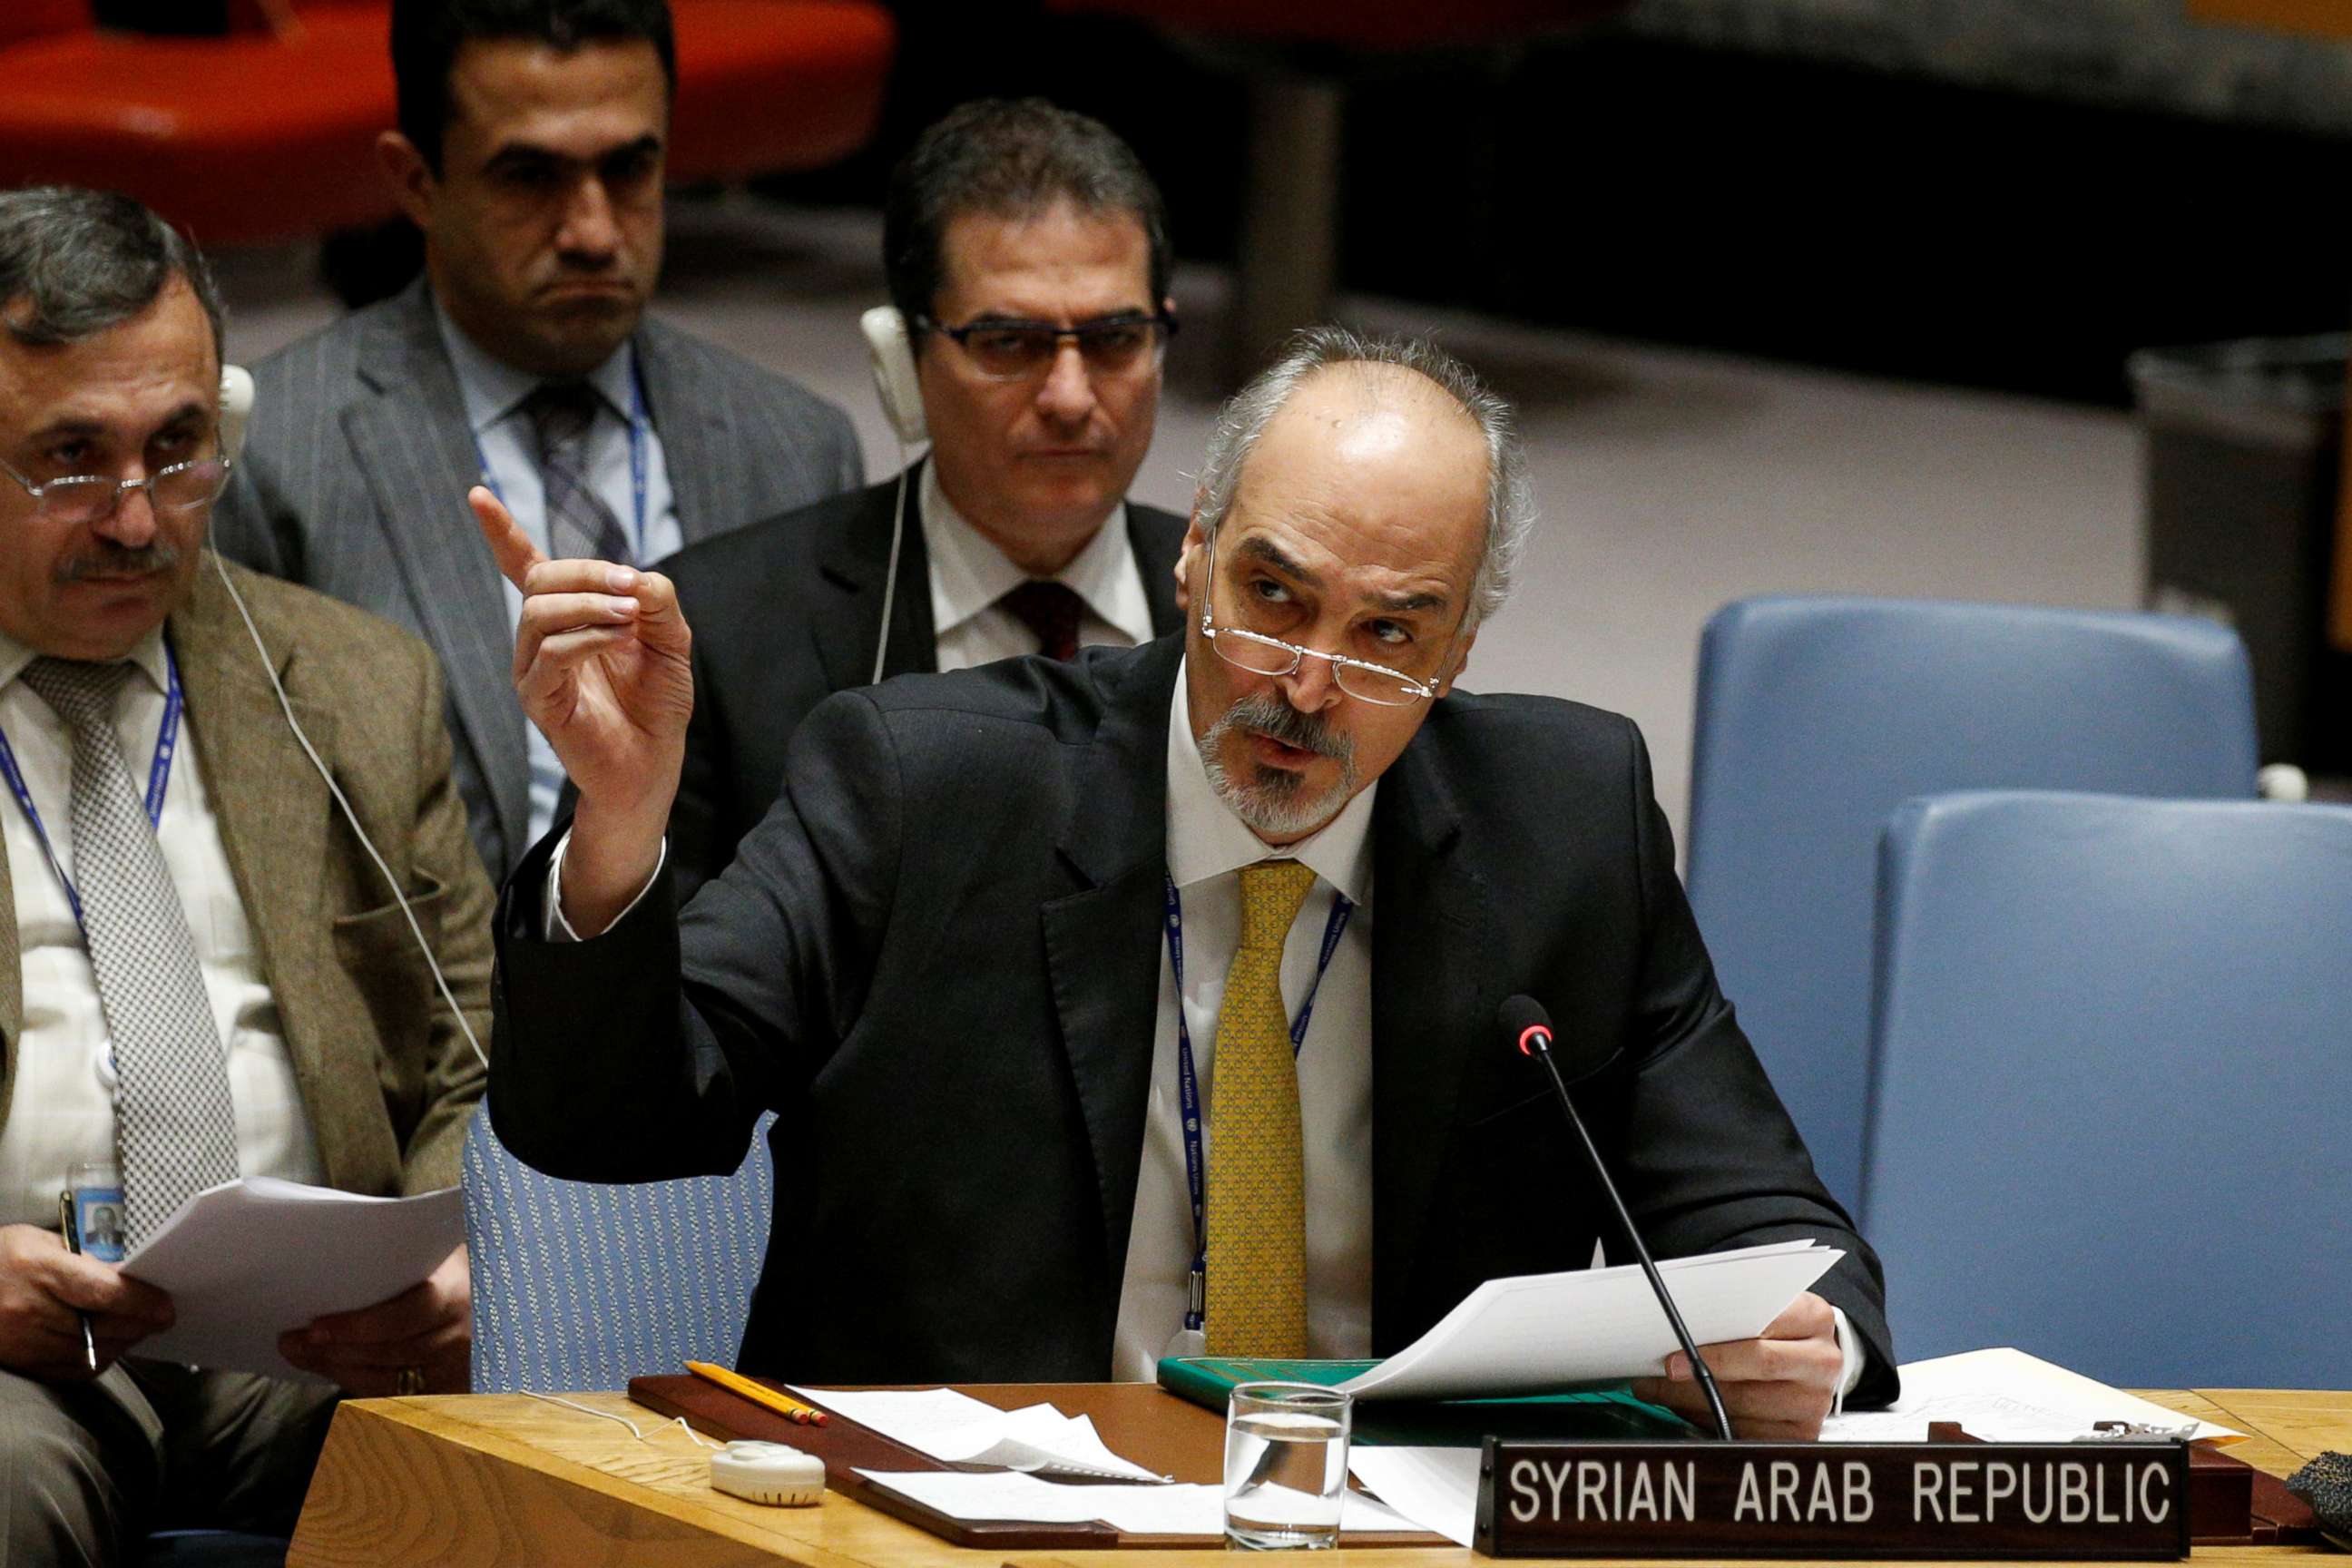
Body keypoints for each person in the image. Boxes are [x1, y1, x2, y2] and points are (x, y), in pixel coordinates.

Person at [484, 327, 1896, 1437]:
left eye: (1390, 637)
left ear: (1463, 651)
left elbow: (1776, 1227)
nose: (1305, 685)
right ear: (1191, 560)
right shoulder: (929, 789)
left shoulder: (1563, 824)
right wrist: (617, 828)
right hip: (972, 1538)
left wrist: (1802, 1340)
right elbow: (609, 1118)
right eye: (1272, 597)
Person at [0, 188, 494, 1560]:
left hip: (314, 1345)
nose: (138, 519)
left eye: (179, 450)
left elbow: (474, 1054)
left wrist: (453, 1275)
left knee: (543, 1467)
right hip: (14, 1370)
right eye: (69, 461)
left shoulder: (349, 688)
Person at [210, 0, 865, 880]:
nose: (594, 232)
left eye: (629, 171)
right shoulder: (277, 455)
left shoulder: (796, 447)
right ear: (415, 183)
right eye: (530, 178)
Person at [662, 98, 1187, 897]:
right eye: (1009, 343)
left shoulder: (1256, 617)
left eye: (1116, 339)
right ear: (900, 361)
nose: (1072, 397)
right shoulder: (722, 637)